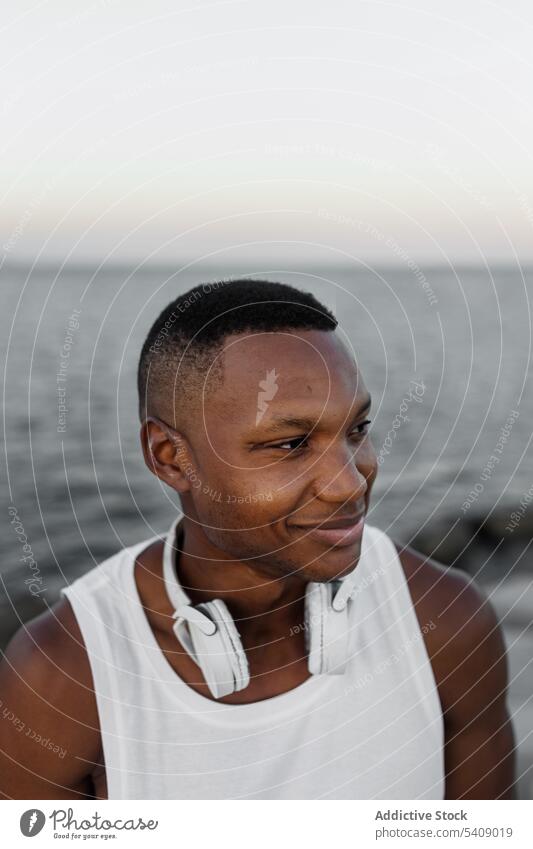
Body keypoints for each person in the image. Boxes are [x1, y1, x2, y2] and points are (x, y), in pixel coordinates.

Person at [0, 279, 516, 799]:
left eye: (356, 430)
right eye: (291, 444)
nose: (351, 482)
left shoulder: (447, 624)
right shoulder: (62, 678)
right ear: (169, 456)